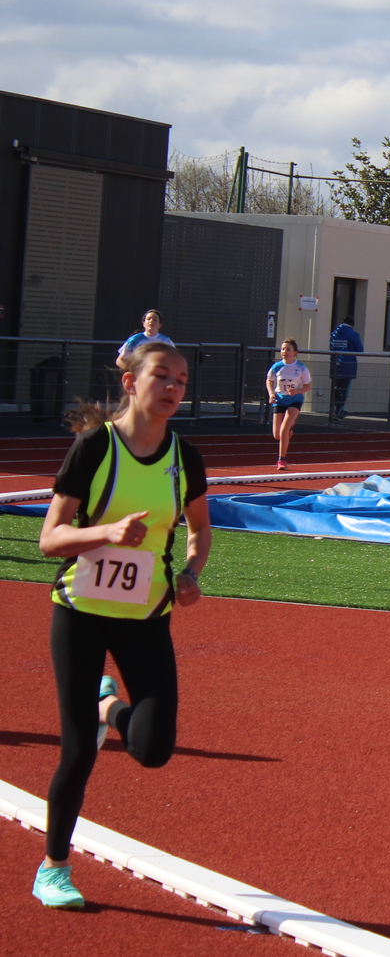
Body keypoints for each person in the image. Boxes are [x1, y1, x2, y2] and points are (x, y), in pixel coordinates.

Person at [32, 342, 210, 910]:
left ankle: (108, 707)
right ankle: (54, 868)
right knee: (77, 752)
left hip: (145, 619)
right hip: (80, 613)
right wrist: (106, 533)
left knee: (154, 749)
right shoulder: (94, 448)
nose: (173, 387)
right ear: (131, 382)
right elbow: (50, 539)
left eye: (181, 380)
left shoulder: (185, 458)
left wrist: (190, 572)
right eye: (162, 376)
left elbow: (199, 531)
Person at [267, 339, 312, 470]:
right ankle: (290, 427)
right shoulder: (277, 367)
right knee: (277, 435)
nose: (284, 352)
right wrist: (271, 393)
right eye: (282, 349)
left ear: (295, 352)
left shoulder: (301, 368)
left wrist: (296, 391)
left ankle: (281, 460)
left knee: (284, 430)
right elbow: (269, 380)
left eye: (288, 349)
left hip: (295, 400)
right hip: (280, 399)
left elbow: (307, 386)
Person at [328, 317, 363, 419]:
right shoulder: (353, 334)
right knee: (344, 389)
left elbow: (331, 347)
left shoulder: (334, 334)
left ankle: (332, 411)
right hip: (348, 365)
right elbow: (360, 349)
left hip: (335, 364)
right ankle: (339, 411)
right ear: (352, 324)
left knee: (335, 388)